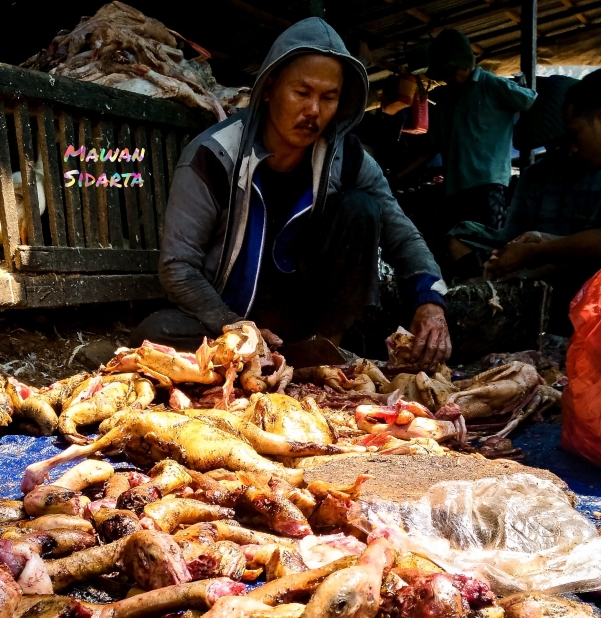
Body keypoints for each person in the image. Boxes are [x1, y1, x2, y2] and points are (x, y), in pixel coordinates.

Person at [137, 17, 451, 370]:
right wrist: (235, 326)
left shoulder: (346, 158)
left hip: (307, 318)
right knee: (158, 331)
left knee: (361, 208)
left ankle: (326, 354)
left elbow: (402, 235)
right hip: (231, 318)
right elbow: (178, 266)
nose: (314, 111)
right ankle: (270, 358)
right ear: (269, 87)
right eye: (302, 93)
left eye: (328, 97)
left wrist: (430, 302)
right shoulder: (216, 155)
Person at [484, 70, 601, 284]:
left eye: (575, 135)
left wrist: (536, 252)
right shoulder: (535, 177)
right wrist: (540, 242)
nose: (572, 149)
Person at [427, 29, 536, 237]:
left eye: (451, 72)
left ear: (462, 64)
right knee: (460, 245)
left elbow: (529, 99)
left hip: (487, 183)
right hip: (455, 187)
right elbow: (434, 142)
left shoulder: (490, 84)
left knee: (489, 245)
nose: (448, 78)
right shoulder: (446, 99)